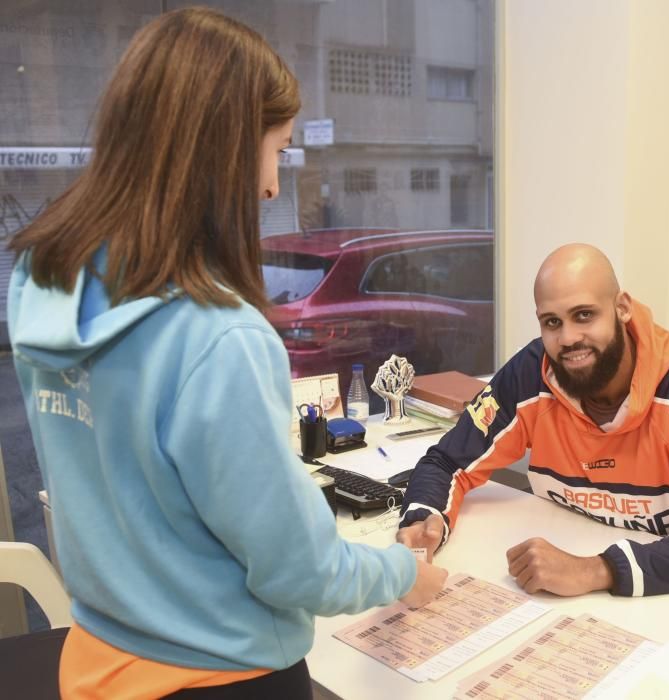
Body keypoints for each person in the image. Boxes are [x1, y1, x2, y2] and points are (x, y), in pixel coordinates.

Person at [7, 8, 446, 699]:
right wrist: (401, 574)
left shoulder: (46, 280)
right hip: (220, 674)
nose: (273, 185)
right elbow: (296, 571)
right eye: (276, 149)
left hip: (97, 661)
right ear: (222, 148)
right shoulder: (216, 334)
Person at [397, 243, 669, 598]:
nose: (568, 338)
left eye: (584, 315)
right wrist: (424, 520)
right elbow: (446, 461)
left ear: (622, 307)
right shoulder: (530, 373)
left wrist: (598, 570)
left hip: (663, 599)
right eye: (552, 322)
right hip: (552, 602)